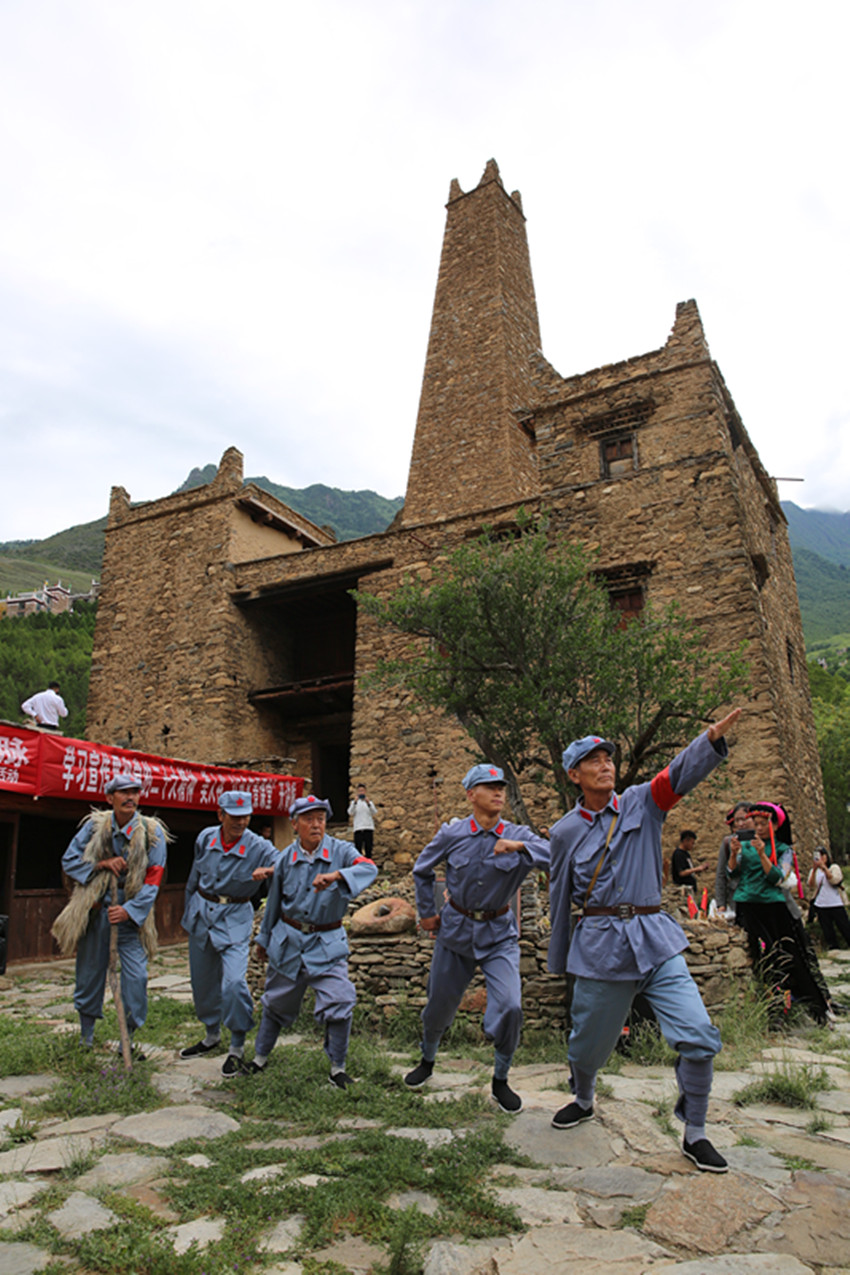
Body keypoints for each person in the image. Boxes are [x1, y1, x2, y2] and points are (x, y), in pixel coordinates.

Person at [547, 709, 741, 1174]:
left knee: (698, 1034)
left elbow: (675, 776)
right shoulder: (564, 832)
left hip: (654, 939)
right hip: (600, 946)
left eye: (608, 758)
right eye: (593, 761)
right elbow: (558, 896)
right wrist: (561, 959)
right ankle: (584, 1098)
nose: (605, 765)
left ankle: (695, 1132)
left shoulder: (642, 803)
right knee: (587, 1046)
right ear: (575, 775)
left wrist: (707, 742)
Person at [405, 764, 550, 1113]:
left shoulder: (518, 834)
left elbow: (556, 856)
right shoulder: (452, 834)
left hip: (499, 935)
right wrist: (426, 912)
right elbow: (422, 869)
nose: (498, 792)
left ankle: (500, 1079)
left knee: (511, 1006)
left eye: (501, 786)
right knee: (438, 1005)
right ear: (471, 794)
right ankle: (427, 1059)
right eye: (489, 786)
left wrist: (520, 847)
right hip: (455, 933)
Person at [252, 794, 377, 1086]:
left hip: (327, 944)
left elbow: (369, 868)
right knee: (275, 1002)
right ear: (294, 824)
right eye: (308, 819)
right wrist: (264, 939)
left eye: (320, 818)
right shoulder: (285, 859)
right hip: (289, 942)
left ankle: (337, 1068)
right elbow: (274, 904)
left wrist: (337, 876)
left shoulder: (342, 851)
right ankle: (259, 1058)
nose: (316, 824)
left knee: (340, 1000)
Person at [52, 773, 169, 1052]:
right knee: (89, 976)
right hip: (96, 913)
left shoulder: (153, 833)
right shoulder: (94, 827)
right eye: (123, 792)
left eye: (135, 792)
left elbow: (153, 880)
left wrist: (129, 911)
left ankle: (128, 1037)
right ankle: (86, 1037)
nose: (130, 798)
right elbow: (69, 860)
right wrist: (101, 864)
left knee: (137, 978)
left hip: (132, 918)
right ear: (109, 798)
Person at [179, 791, 280, 1076]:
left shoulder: (259, 845)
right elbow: (194, 877)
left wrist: (270, 870)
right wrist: (188, 912)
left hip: (235, 917)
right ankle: (211, 1034)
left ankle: (236, 1045)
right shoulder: (205, 838)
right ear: (220, 815)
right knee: (202, 983)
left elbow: (284, 862)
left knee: (234, 983)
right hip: (201, 913)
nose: (240, 822)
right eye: (234, 817)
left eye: (245, 817)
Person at [728, 802, 831, 1025]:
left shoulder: (784, 850)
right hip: (747, 905)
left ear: (775, 826)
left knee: (786, 956)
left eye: (763, 824)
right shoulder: (745, 846)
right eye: (756, 824)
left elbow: (777, 878)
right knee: (761, 954)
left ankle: (794, 1005)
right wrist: (734, 854)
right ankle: (771, 1007)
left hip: (773, 906)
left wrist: (762, 855)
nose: (758, 828)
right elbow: (732, 873)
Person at [808, 848, 850, 949]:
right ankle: (833, 946)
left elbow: (834, 880)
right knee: (827, 928)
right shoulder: (815, 871)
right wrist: (814, 870)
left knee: (844, 926)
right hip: (821, 904)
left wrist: (825, 868)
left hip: (835, 902)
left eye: (822, 856)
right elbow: (811, 885)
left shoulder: (834, 867)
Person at [713, 803, 751, 914]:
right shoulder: (729, 842)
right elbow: (721, 873)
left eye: (743, 819)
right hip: (736, 898)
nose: (740, 824)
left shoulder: (761, 842)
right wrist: (721, 904)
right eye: (737, 820)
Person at [348, 784, 378, 855]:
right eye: (359, 791)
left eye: (362, 791)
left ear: (365, 791)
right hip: (358, 829)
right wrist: (355, 803)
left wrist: (368, 803)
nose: (361, 792)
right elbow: (350, 812)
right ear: (357, 792)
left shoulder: (369, 802)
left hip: (368, 828)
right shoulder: (354, 803)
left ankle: (368, 861)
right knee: (358, 849)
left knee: (369, 848)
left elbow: (374, 812)